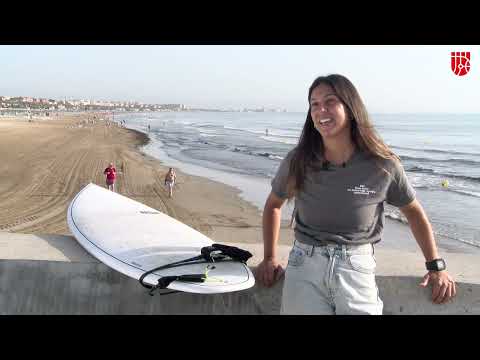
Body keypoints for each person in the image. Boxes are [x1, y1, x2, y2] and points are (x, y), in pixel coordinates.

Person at [255, 74, 456, 315]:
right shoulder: (299, 160)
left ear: (350, 109)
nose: (321, 110)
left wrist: (436, 266)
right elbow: (273, 206)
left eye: (330, 101)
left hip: (356, 267)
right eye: (314, 104)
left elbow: (413, 212)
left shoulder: (382, 165)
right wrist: (269, 257)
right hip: (304, 266)